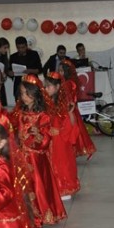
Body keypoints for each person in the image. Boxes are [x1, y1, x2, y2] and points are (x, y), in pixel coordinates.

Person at [10, 74, 67, 228]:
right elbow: (11, 127)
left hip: (35, 159)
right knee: (22, 187)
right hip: (21, 157)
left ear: (36, 94)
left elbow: (46, 141)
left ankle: (38, 217)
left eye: (28, 94)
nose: (24, 97)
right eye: (22, 93)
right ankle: (25, 216)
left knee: (37, 187)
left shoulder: (43, 116)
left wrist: (38, 134)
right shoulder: (20, 113)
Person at [44, 71, 80, 200]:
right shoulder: (44, 103)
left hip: (60, 139)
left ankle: (64, 188)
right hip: (47, 138)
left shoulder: (65, 103)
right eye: (45, 86)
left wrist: (60, 131)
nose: (46, 88)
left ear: (58, 87)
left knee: (62, 162)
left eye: (49, 86)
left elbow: (71, 122)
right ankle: (52, 188)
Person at [58, 59, 96, 159]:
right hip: (71, 109)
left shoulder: (68, 83)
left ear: (66, 72)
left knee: (72, 132)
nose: (59, 73)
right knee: (78, 131)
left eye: (61, 71)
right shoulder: (69, 82)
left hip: (69, 110)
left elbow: (68, 98)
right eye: (59, 70)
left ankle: (73, 151)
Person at [9, 36, 43, 101]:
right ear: (16, 47)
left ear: (26, 46)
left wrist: (30, 70)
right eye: (19, 48)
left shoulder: (34, 54)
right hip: (18, 83)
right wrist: (10, 73)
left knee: (34, 101)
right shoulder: (13, 57)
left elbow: (40, 69)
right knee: (18, 101)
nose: (21, 50)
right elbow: (8, 70)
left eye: (23, 47)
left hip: (32, 83)